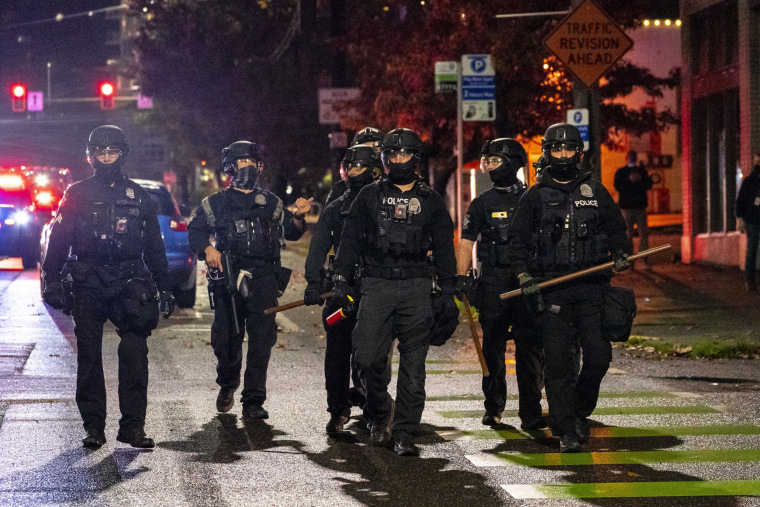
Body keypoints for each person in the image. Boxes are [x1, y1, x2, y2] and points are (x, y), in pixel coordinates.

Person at [41, 125, 176, 449]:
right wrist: (52, 278)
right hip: (89, 279)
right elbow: (59, 240)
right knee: (88, 356)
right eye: (100, 151)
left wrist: (166, 287)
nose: (105, 157)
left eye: (111, 151)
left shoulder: (139, 196)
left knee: (135, 353)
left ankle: (133, 427)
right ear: (91, 155)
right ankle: (94, 428)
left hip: (130, 279)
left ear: (122, 154)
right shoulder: (77, 193)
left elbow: (154, 247)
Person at [331, 128, 458, 456]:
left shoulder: (430, 200)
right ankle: (378, 408)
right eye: (393, 155)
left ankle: (404, 433)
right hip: (378, 284)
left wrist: (448, 292)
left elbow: (444, 248)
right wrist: (340, 279)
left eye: (405, 155)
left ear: (416, 158)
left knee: (413, 368)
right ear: (385, 158)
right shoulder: (368, 196)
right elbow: (349, 241)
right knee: (365, 355)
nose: (399, 160)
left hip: (416, 286)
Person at [509, 123, 630, 453]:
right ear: (547, 153)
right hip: (552, 290)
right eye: (557, 150)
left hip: (592, 287)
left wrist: (621, 254)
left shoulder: (595, 191)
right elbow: (517, 243)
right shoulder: (534, 197)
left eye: (569, 149)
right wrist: (523, 276)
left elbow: (617, 231)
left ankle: (578, 410)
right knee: (559, 362)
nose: (563, 155)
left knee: (598, 356)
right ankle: (567, 428)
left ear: (579, 153)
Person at [187, 141, 312, 420]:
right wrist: (207, 249)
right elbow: (195, 230)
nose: (248, 167)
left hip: (264, 279)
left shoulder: (271, 202)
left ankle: (254, 399)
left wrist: (299, 218)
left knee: (262, 340)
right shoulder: (215, 202)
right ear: (231, 166)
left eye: (253, 162)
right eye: (242, 162)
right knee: (227, 339)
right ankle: (228, 384)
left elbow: (291, 233)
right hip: (228, 281)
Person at [455, 138, 545, 430]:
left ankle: (530, 411)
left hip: (526, 282)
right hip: (493, 282)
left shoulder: (533, 198)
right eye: (487, 162)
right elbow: (466, 242)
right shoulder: (482, 203)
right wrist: (461, 277)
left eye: (495, 161)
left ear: (513, 162)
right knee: (492, 348)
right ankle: (493, 407)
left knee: (529, 348)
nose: (489, 167)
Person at [303, 145, 382, 434]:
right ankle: (338, 410)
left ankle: (376, 410)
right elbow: (318, 247)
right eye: (348, 167)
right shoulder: (336, 208)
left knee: (374, 355)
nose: (351, 172)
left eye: (358, 167)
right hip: (342, 292)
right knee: (337, 349)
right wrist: (313, 281)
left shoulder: (386, 204)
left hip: (378, 290)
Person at [325, 127, 385, 206]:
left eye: (374, 149)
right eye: (364, 148)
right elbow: (327, 216)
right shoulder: (342, 188)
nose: (369, 153)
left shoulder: (396, 183)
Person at [614, 150, 653, 258]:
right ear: (627, 158)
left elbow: (649, 184)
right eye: (630, 157)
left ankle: (643, 256)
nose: (632, 159)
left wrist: (640, 179)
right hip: (627, 207)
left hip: (639, 207)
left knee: (643, 234)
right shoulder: (622, 172)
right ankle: (629, 255)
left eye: (633, 157)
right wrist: (629, 180)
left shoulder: (641, 171)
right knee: (628, 234)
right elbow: (617, 186)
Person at [736, 153, 760, 292]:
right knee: (752, 249)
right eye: (756, 161)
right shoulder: (749, 181)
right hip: (752, 219)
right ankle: (749, 280)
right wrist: (740, 219)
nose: (757, 165)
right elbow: (740, 202)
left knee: (752, 249)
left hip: (752, 218)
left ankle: (750, 280)